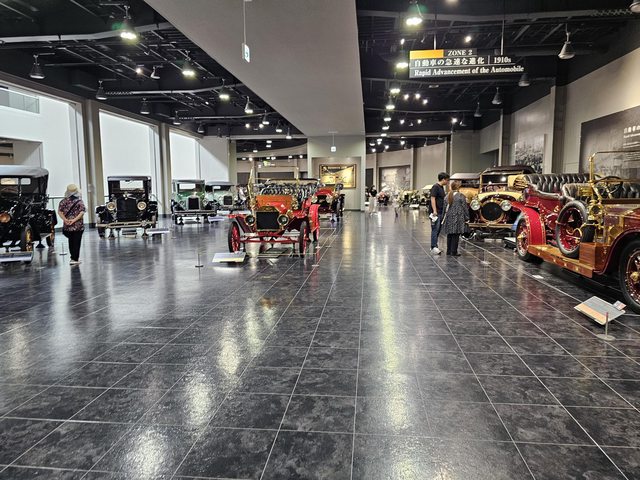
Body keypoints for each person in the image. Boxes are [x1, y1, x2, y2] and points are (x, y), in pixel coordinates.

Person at [58, 184, 86, 265]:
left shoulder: (63, 201)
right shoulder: (79, 201)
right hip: (78, 226)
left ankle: (72, 257)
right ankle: (75, 259)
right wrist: (74, 220)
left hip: (67, 226)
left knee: (71, 241)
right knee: (77, 242)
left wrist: (65, 220)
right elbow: (82, 212)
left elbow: (60, 212)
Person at [443, 180, 469, 256]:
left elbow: (444, 208)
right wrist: (467, 217)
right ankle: (454, 251)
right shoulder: (461, 196)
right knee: (456, 235)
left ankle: (448, 251)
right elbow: (465, 208)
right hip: (458, 217)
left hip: (449, 217)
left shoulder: (447, 196)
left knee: (450, 234)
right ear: (458, 188)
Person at [429, 172, 450, 254]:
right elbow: (432, 198)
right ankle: (433, 247)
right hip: (436, 213)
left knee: (438, 230)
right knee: (435, 229)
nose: (447, 182)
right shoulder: (435, 187)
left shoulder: (441, 187)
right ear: (443, 179)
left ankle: (434, 246)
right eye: (447, 180)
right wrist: (434, 210)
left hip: (440, 212)